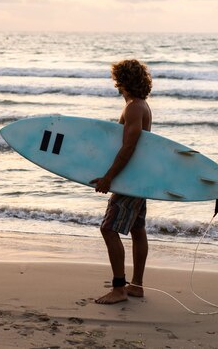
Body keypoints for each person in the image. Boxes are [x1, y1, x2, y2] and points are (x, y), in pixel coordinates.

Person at [90, 59, 153, 305]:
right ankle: (136, 286)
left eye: (117, 79)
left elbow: (129, 146)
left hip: (130, 180)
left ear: (122, 81)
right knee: (137, 229)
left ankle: (119, 289)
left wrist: (109, 178)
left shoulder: (135, 108)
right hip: (138, 178)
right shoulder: (139, 105)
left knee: (108, 229)